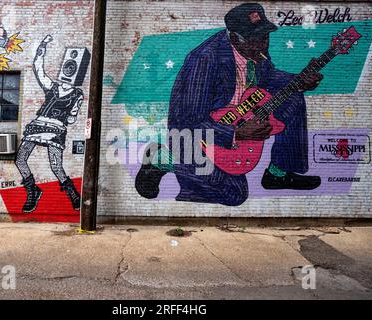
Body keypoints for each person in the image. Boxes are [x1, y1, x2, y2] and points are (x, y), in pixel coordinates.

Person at [136, 3, 323, 206]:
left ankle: (278, 173)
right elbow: (190, 122)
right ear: (234, 38)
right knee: (235, 194)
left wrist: (298, 80)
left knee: (293, 99)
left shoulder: (254, 51)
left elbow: (268, 75)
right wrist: (237, 133)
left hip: (236, 117)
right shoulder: (205, 61)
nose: (262, 45)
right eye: (255, 39)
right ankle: (162, 159)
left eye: (265, 37)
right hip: (196, 137)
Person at [15, 35, 83, 213]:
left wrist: (70, 113)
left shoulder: (77, 94)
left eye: (71, 68)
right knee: (20, 159)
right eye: (67, 67)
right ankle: (33, 190)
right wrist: (42, 46)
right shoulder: (52, 86)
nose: (68, 70)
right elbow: (38, 69)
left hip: (55, 130)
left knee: (55, 166)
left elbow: (71, 118)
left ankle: (73, 194)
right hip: (37, 125)